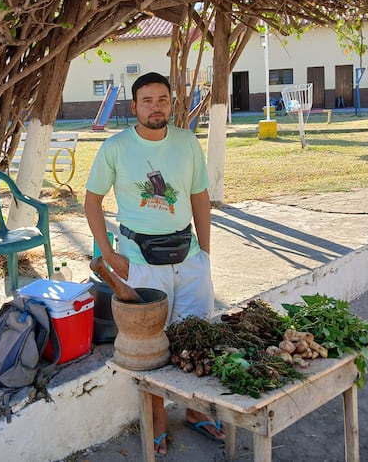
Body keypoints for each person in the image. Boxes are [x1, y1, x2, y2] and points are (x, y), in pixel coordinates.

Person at [85, 72, 225, 456]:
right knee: (151, 346)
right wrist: (109, 254)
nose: (155, 106)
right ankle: (159, 417)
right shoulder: (115, 147)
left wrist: (206, 254)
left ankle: (196, 409)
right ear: (135, 106)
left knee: (197, 336)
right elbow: (91, 201)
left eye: (162, 99)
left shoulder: (187, 142)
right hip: (141, 262)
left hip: (190, 257)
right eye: (147, 100)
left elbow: (199, 198)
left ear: (171, 103)